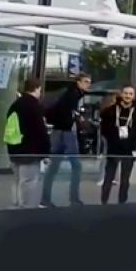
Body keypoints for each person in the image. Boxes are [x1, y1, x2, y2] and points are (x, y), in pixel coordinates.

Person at [41, 74, 91, 206]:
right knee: (76, 166)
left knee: (53, 166)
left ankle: (45, 198)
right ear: (78, 82)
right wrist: (74, 119)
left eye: (89, 82)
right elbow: (66, 112)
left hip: (58, 131)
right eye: (85, 81)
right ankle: (74, 199)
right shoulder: (73, 94)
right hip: (66, 132)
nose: (88, 84)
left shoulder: (68, 92)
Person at [4, 78, 50, 209]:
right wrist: (46, 152)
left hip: (14, 148)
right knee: (29, 180)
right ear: (37, 88)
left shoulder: (15, 105)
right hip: (30, 150)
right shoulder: (34, 106)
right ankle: (27, 208)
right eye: (40, 90)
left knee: (18, 179)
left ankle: (16, 205)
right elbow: (41, 131)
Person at [99, 84, 136, 205]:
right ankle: (104, 202)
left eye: (130, 94)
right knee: (108, 178)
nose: (128, 96)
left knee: (125, 180)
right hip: (113, 148)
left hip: (128, 149)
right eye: (126, 93)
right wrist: (113, 139)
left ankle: (122, 203)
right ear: (121, 94)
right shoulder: (110, 110)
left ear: (134, 96)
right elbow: (104, 129)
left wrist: (129, 141)